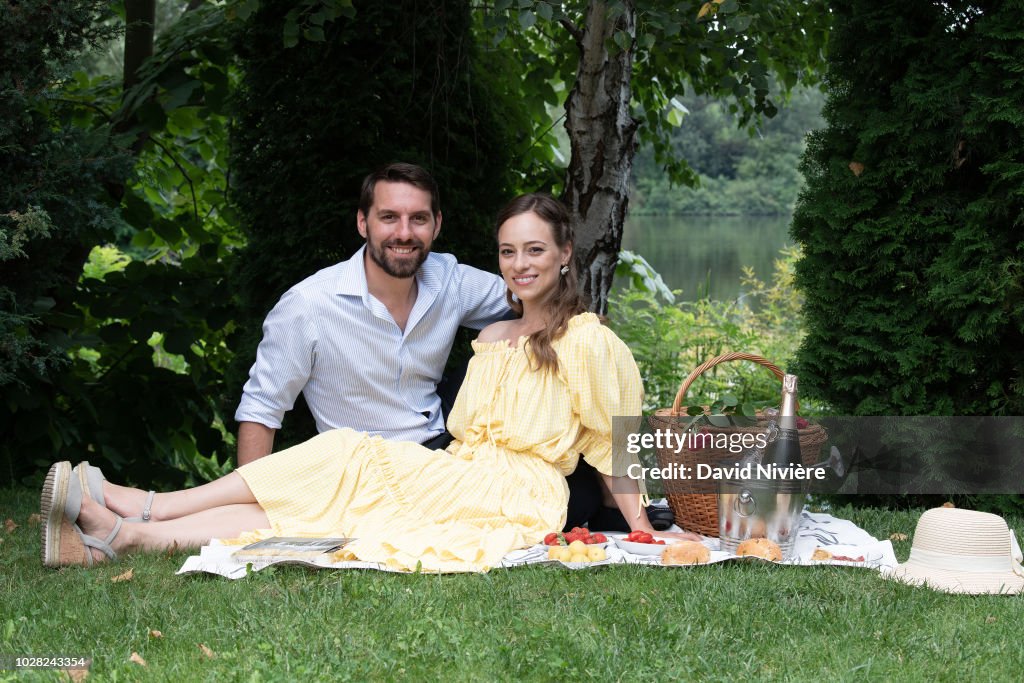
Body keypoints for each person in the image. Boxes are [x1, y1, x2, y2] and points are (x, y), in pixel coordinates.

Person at [41, 193, 699, 572]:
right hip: (460, 470)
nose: (520, 264)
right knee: (324, 501)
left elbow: (622, 447)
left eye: (534, 250)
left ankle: (139, 501)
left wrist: (645, 528)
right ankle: (122, 532)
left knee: (348, 453)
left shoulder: (589, 340)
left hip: (520, 492)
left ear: (564, 255)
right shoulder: (494, 334)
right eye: (507, 251)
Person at [235, 162, 509, 459]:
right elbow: (261, 409)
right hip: (361, 469)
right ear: (363, 223)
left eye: (418, 219)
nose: (404, 233)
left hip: (442, 453)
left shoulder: (449, 279)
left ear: (437, 224)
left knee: (518, 341)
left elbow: (535, 301)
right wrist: (252, 499)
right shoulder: (309, 304)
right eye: (389, 217)